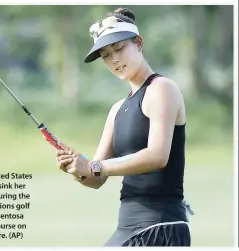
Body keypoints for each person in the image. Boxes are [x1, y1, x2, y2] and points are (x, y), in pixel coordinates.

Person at [55, 7, 193, 247]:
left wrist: (93, 166)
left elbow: (157, 156)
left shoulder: (162, 89)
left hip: (159, 227)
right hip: (127, 228)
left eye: (119, 48)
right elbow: (95, 179)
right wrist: (77, 168)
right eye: (106, 55)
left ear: (138, 43)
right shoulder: (117, 109)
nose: (114, 59)